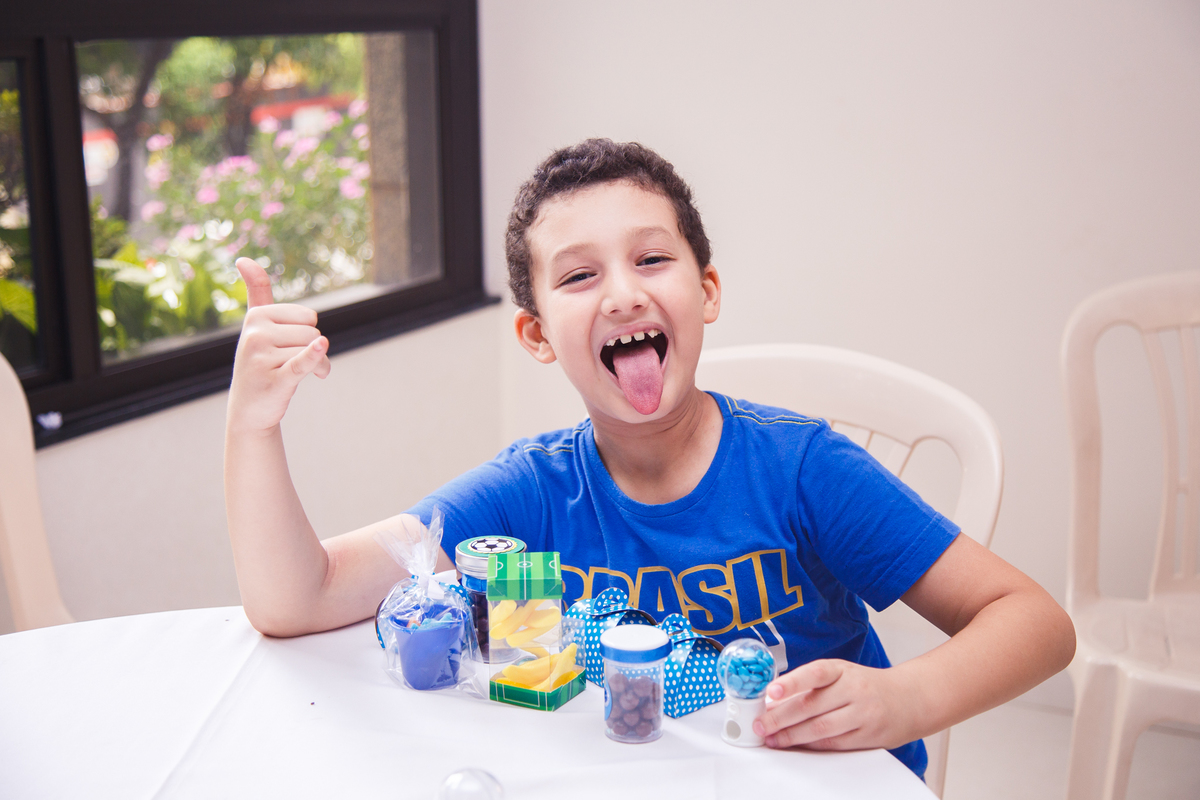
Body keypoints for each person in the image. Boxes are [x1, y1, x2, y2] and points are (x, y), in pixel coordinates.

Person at [224, 139, 1075, 777]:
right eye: (579, 276)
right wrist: (254, 426)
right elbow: (300, 598)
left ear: (705, 291)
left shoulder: (803, 469)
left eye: (652, 259)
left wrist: (907, 700)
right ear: (536, 335)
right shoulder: (532, 491)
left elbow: (1036, 623)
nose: (624, 292)